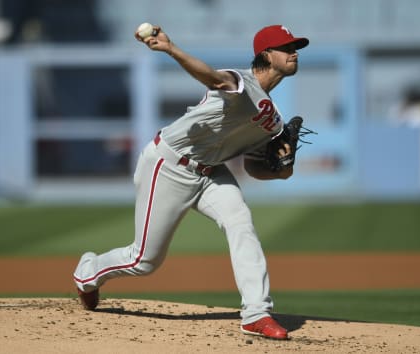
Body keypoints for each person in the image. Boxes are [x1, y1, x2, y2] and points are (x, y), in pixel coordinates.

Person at [73, 23, 309, 340]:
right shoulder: (241, 81)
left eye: (296, 48)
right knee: (144, 260)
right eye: (288, 47)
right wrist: (171, 49)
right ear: (266, 54)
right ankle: (87, 273)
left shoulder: (273, 119)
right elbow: (211, 77)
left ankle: (256, 314)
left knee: (241, 222)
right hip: (169, 164)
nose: (294, 53)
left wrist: (282, 170)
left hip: (212, 172)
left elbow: (255, 168)